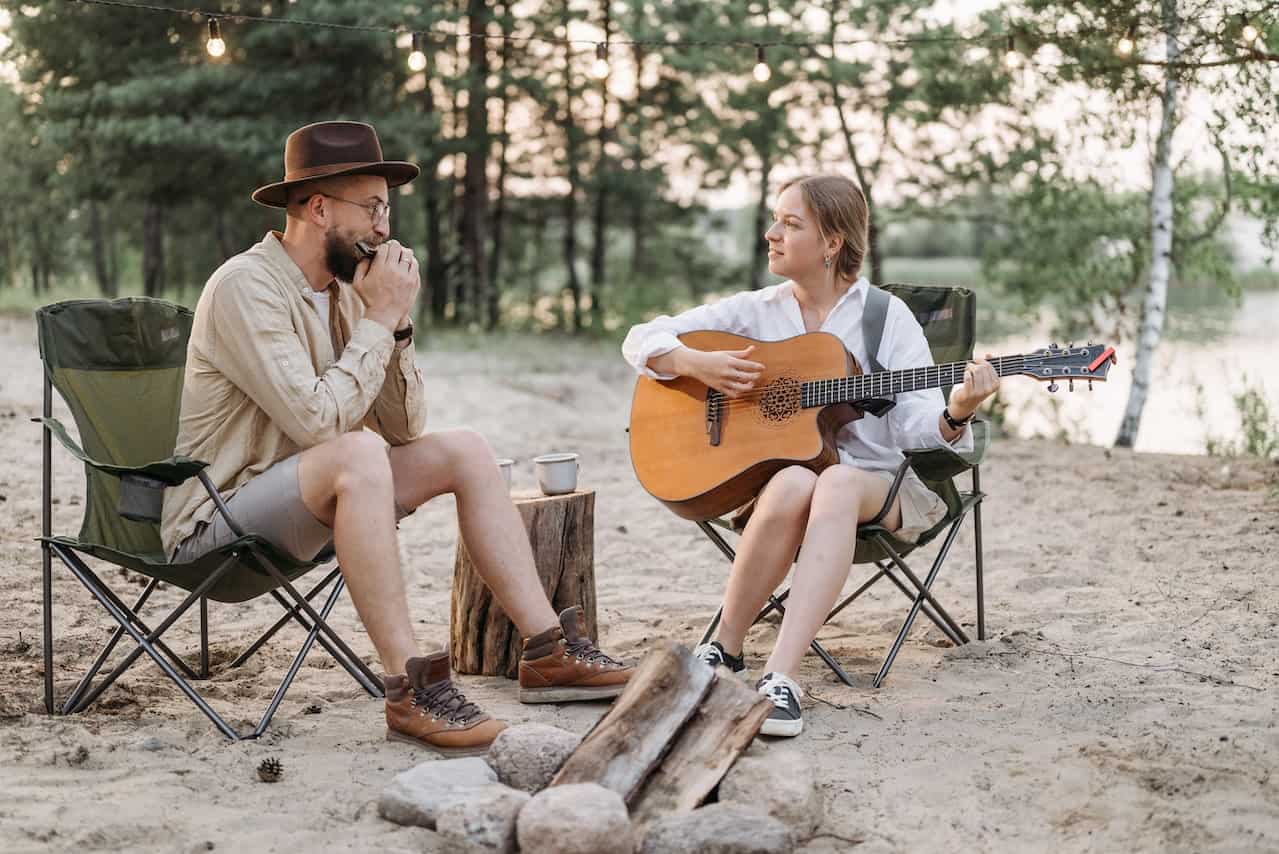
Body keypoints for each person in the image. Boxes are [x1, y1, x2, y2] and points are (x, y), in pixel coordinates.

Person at [162, 121, 631, 756]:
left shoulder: (350, 292)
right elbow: (319, 424)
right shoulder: (246, 286)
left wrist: (395, 324)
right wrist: (379, 318)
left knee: (463, 448)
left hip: (313, 500)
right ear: (319, 208)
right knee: (357, 452)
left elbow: (406, 427)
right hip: (219, 521)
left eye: (388, 210)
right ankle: (413, 688)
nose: (385, 228)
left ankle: (549, 650)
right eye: (374, 208)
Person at [621, 174, 998, 737]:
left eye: (790, 224)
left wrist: (959, 410)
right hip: (786, 491)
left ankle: (782, 679)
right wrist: (698, 365)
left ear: (832, 243)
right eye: (776, 220)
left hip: (882, 488)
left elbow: (917, 425)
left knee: (835, 482)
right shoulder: (757, 312)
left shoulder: (885, 317)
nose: (771, 234)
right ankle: (725, 648)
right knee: (798, 480)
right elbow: (642, 338)